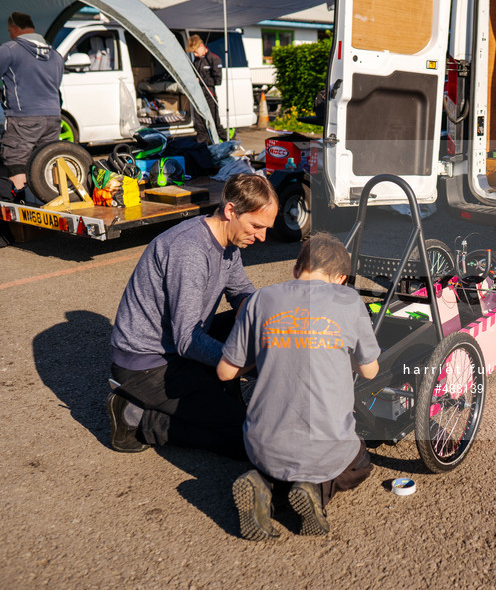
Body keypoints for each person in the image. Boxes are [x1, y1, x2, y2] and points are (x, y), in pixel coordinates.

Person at [218, 232, 380, 540]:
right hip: (325, 448)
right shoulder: (349, 300)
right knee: (360, 461)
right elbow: (370, 371)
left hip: (260, 447)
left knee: (282, 456)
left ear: (296, 268)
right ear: (341, 278)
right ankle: (315, 491)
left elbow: (226, 372)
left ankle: (262, 484)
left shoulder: (260, 299)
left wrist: (270, 348)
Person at [107, 174, 279, 458]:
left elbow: (241, 294)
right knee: (250, 437)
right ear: (231, 211)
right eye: (257, 226)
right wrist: (245, 361)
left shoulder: (229, 243)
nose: (262, 237)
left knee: (250, 327)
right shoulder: (189, 250)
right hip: (148, 365)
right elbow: (187, 340)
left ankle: (218, 391)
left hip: (180, 346)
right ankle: (139, 418)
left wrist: (272, 331)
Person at [0, 12, 64, 200]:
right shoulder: (56, 55)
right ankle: (49, 204)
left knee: (17, 160)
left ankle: (19, 212)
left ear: (14, 28)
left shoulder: (10, 49)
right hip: (53, 117)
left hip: (23, 117)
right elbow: (56, 85)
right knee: (45, 161)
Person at [185, 35, 228, 144]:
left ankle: (229, 142)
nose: (194, 54)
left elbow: (218, 81)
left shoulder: (214, 59)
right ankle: (203, 146)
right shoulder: (196, 61)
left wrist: (201, 80)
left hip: (210, 95)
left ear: (201, 46)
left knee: (215, 123)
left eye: (195, 51)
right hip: (198, 95)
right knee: (199, 124)